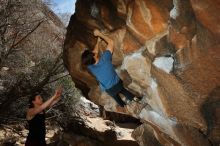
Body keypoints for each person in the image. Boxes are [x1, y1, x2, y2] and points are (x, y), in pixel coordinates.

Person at [81, 29, 139, 108]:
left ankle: (123, 106)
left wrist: (98, 42)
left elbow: (94, 53)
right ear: (93, 55)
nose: (93, 51)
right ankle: (136, 100)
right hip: (118, 84)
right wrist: (100, 34)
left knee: (116, 98)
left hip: (109, 90)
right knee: (124, 91)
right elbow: (111, 42)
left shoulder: (90, 67)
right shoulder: (105, 58)